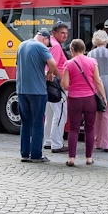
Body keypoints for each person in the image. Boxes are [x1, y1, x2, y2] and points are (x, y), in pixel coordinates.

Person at [60, 39, 106, 167]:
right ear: (84, 50)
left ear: (72, 50)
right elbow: (98, 81)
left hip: (74, 100)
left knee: (74, 129)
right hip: (90, 99)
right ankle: (89, 158)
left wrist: (73, 86)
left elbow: (64, 84)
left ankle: (71, 159)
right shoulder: (92, 62)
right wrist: (104, 97)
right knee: (90, 128)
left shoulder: (68, 64)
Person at [16, 30, 60, 163]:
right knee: (38, 123)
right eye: (48, 43)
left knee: (26, 123)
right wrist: (50, 74)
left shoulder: (21, 45)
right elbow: (52, 64)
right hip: (37, 91)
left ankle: (24, 154)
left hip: (21, 90)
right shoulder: (41, 46)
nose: (48, 46)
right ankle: (36, 155)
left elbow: (17, 65)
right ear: (45, 39)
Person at [43, 22, 69, 153]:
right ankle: (57, 144)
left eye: (66, 32)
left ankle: (48, 141)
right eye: (62, 33)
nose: (65, 35)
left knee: (50, 113)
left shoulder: (49, 44)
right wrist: (61, 80)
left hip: (47, 83)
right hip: (56, 84)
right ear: (54, 33)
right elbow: (52, 65)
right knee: (60, 114)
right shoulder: (57, 46)